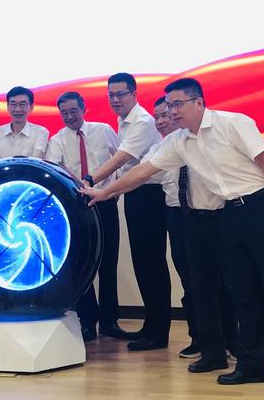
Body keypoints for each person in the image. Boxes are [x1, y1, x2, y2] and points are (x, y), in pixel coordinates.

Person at [82, 77, 264, 397]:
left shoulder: (233, 123)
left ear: (199, 102)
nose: (172, 111)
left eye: (178, 104)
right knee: (242, 292)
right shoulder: (179, 142)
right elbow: (142, 171)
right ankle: (251, 364)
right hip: (228, 214)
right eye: (169, 106)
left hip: (260, 208)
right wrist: (104, 192)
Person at [145, 97, 239, 374]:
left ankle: (233, 340)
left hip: (212, 214)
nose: (162, 120)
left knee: (225, 281)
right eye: (157, 116)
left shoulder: (201, 140)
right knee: (191, 280)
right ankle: (202, 339)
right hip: (177, 216)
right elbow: (141, 172)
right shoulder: (160, 148)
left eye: (167, 114)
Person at [87, 73, 171, 351]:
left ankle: (158, 333)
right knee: (143, 264)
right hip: (134, 194)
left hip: (150, 196)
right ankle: (152, 326)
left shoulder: (143, 122)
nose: (115, 99)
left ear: (134, 94)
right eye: (111, 95)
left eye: (121, 94)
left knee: (151, 264)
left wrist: (90, 180)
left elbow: (120, 160)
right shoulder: (123, 122)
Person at [45, 91, 130, 341]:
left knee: (108, 263)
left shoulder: (103, 130)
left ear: (84, 109)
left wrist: (116, 189)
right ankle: (87, 321)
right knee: (81, 264)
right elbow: (55, 169)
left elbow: (121, 160)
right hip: (77, 208)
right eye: (64, 113)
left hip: (105, 202)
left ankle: (110, 322)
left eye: (74, 111)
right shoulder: (57, 140)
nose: (69, 116)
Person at [0, 86, 49, 159]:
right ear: (8, 106)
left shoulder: (41, 132)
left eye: (22, 104)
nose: (18, 109)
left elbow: (36, 160)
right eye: (13, 104)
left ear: (31, 107)